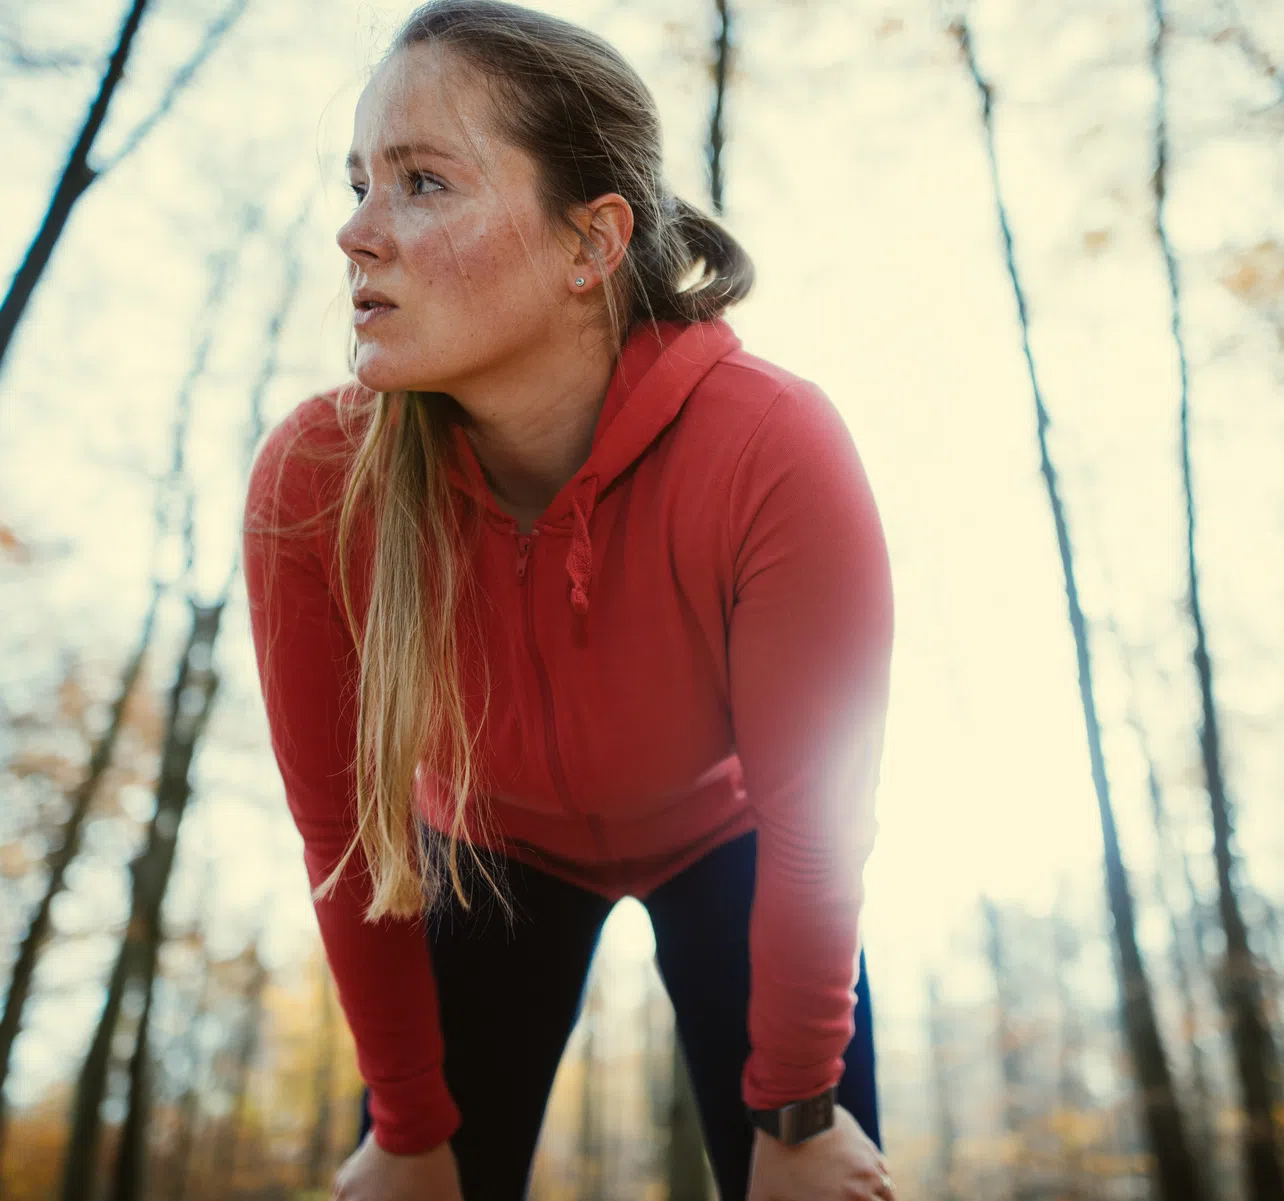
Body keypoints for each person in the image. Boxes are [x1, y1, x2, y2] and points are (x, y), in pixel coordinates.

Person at [242, 3, 896, 1198]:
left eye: (423, 182)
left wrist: (801, 1112)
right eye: (357, 182)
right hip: (484, 850)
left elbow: (819, 816)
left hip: (733, 839)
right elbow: (348, 836)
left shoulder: (770, 447)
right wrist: (403, 1126)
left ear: (591, 243)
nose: (354, 233)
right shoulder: (315, 481)